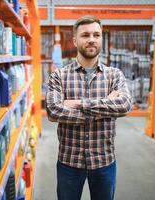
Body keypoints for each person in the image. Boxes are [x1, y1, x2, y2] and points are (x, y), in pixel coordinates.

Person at [45, 15, 133, 200]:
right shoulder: (59, 76)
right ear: (75, 40)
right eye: (85, 35)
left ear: (101, 38)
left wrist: (79, 103)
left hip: (104, 162)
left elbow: (124, 105)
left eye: (96, 35)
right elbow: (54, 111)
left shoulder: (114, 75)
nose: (91, 39)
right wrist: (106, 103)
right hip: (69, 162)